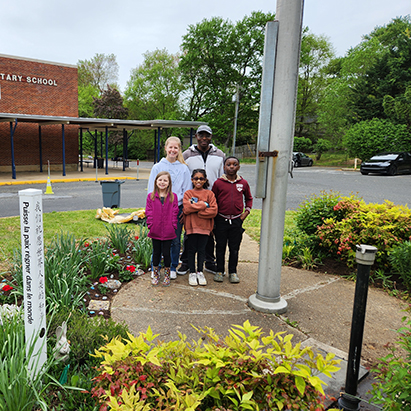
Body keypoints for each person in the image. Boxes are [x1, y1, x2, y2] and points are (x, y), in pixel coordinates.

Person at [177, 125, 225, 275]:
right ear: (196, 136)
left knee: (209, 232)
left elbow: (222, 177)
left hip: (211, 199)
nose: (204, 138)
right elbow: (181, 176)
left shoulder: (220, 154)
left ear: (211, 137)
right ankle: (186, 262)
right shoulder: (186, 154)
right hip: (191, 199)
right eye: (201, 135)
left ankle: (209, 262)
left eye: (207, 135)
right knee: (189, 233)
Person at [147, 136, 192, 279]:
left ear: (179, 150)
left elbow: (187, 190)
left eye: (176, 148)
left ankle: (172, 266)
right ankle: (156, 268)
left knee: (174, 239)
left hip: (176, 208)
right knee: (157, 240)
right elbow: (151, 189)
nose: (173, 150)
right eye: (170, 147)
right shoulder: (157, 167)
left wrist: (184, 209)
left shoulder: (184, 168)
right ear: (165, 148)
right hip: (158, 207)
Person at [211, 156, 253, 284]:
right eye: (228, 164)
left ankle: (233, 272)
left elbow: (249, 199)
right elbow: (213, 200)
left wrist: (246, 212)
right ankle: (219, 270)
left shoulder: (243, 183)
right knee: (220, 247)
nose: (231, 167)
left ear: (238, 167)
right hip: (221, 220)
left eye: (235, 164)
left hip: (236, 221)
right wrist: (214, 216)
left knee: (234, 248)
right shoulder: (218, 183)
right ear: (224, 167)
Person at [183, 169, 217, 286]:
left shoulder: (209, 194)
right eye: (196, 178)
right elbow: (187, 209)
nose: (198, 180)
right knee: (191, 250)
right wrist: (203, 205)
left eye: (201, 178)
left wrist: (198, 212)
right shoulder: (188, 193)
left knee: (202, 250)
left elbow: (213, 210)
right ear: (192, 180)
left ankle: (200, 271)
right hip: (191, 227)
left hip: (205, 227)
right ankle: (192, 272)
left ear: (205, 180)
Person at [145, 171, 179, 286]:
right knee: (156, 253)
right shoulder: (151, 196)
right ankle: (156, 275)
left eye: (165, 180)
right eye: (160, 180)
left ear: (169, 183)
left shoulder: (173, 197)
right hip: (155, 230)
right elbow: (148, 211)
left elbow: (175, 212)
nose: (162, 182)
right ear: (156, 182)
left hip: (168, 231)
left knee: (167, 253)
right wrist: (151, 224)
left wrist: (173, 225)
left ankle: (167, 275)